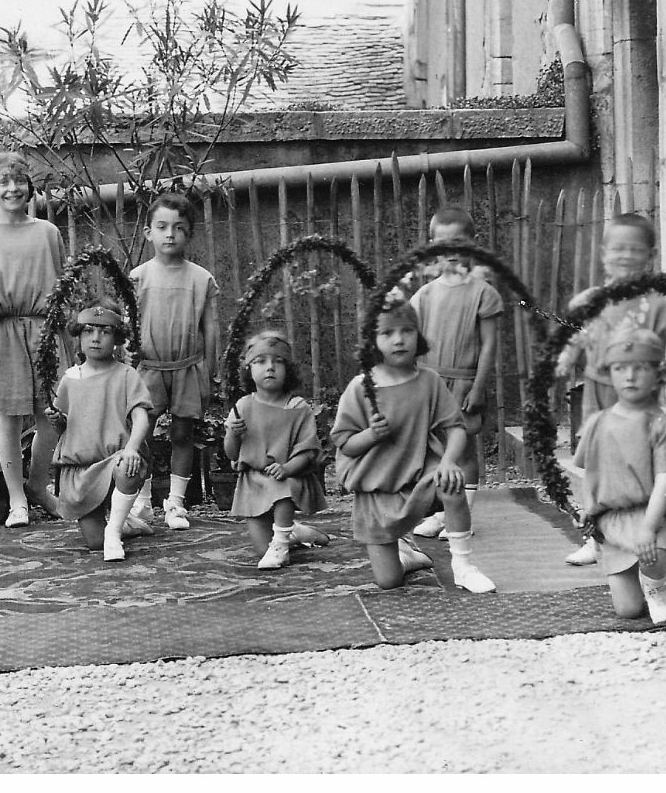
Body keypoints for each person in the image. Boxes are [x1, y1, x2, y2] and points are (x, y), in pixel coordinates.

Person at [331, 302, 496, 593]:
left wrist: (447, 460)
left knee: (452, 483)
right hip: (377, 488)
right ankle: (408, 557)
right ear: (372, 340)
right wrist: (371, 435)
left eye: (407, 330)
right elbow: (345, 444)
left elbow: (455, 428)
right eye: (387, 333)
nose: (398, 339)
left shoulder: (428, 381)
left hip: (422, 474)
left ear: (417, 335)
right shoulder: (360, 388)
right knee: (388, 581)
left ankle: (463, 566)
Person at [556, 212, 666, 567]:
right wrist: (568, 355)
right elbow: (580, 333)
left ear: (650, 256)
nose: (625, 256)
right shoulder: (594, 300)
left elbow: (657, 351)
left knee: (636, 463)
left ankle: (648, 530)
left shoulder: (655, 306)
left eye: (634, 250)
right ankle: (597, 535)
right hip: (598, 390)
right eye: (617, 248)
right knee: (597, 462)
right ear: (604, 253)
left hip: (636, 399)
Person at [0, 151, 68, 527]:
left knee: (51, 416)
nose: (12, 189)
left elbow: (60, 287)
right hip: (0, 333)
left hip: (43, 330)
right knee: (9, 419)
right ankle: (17, 499)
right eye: (3, 182)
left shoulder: (48, 233)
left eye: (18, 180)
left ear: (30, 185)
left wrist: (61, 333)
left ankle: (38, 485)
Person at [572, 329, 666, 624]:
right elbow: (590, 473)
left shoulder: (662, 425)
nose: (630, 376)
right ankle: (635, 581)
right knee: (628, 611)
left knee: (652, 556)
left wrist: (649, 528)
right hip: (612, 518)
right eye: (620, 369)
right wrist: (588, 510)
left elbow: (664, 480)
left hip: (652, 514)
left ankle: (656, 587)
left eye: (640, 368)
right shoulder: (599, 423)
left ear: (657, 375)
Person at [409, 206, 502, 540]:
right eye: (442, 244)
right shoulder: (425, 294)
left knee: (463, 449)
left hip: (464, 380)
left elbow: (489, 346)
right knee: (435, 450)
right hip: (431, 382)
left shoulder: (483, 293)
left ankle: (463, 514)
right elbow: (413, 342)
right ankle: (441, 510)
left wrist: (478, 387)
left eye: (458, 243)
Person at [128, 192, 218, 533]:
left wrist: (211, 368)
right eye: (162, 227)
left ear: (189, 233)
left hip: (188, 366)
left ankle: (176, 502)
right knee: (142, 433)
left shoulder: (201, 278)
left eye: (179, 228)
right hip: (148, 368)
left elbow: (211, 326)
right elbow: (128, 324)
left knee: (183, 432)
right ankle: (142, 500)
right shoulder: (138, 277)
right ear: (148, 232)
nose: (170, 234)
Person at [47, 299, 153, 561]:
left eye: (105, 332)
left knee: (129, 466)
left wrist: (131, 449)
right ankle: (125, 524)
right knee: (93, 542)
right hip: (81, 468)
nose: (96, 339)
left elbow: (141, 417)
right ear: (79, 335)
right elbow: (65, 427)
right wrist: (56, 419)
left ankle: (114, 532)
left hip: (114, 460)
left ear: (117, 338)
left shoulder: (125, 375)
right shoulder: (71, 378)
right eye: (88, 331)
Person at [222, 331, 327, 570]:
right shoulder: (243, 406)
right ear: (249, 368)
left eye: (278, 362)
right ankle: (295, 532)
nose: (270, 367)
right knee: (261, 549)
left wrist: (287, 467)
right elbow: (231, 454)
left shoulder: (297, 407)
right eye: (261, 361)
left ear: (288, 369)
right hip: (254, 482)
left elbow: (308, 451)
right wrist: (232, 434)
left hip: (287, 477)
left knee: (283, 489)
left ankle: (281, 542)